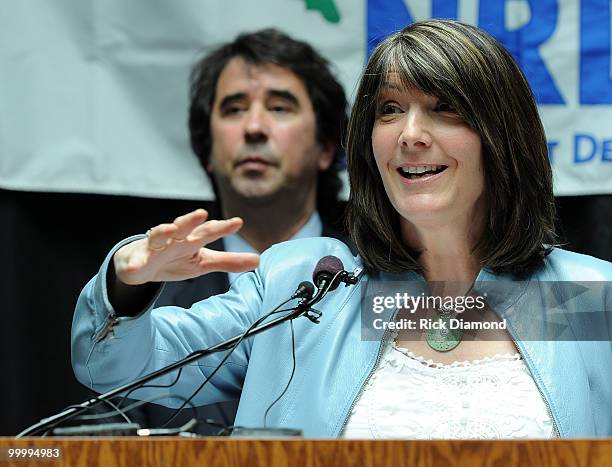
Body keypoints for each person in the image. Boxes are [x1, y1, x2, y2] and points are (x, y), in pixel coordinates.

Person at [72, 20, 611, 438]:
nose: (411, 135)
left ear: (504, 139)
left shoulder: (583, 297)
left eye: (445, 110)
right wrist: (128, 282)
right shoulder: (309, 286)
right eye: (391, 110)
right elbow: (113, 366)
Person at [157, 27, 348, 309]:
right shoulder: (152, 298)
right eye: (234, 109)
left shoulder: (383, 281)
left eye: (279, 108)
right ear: (208, 148)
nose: (254, 128)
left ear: (326, 147)